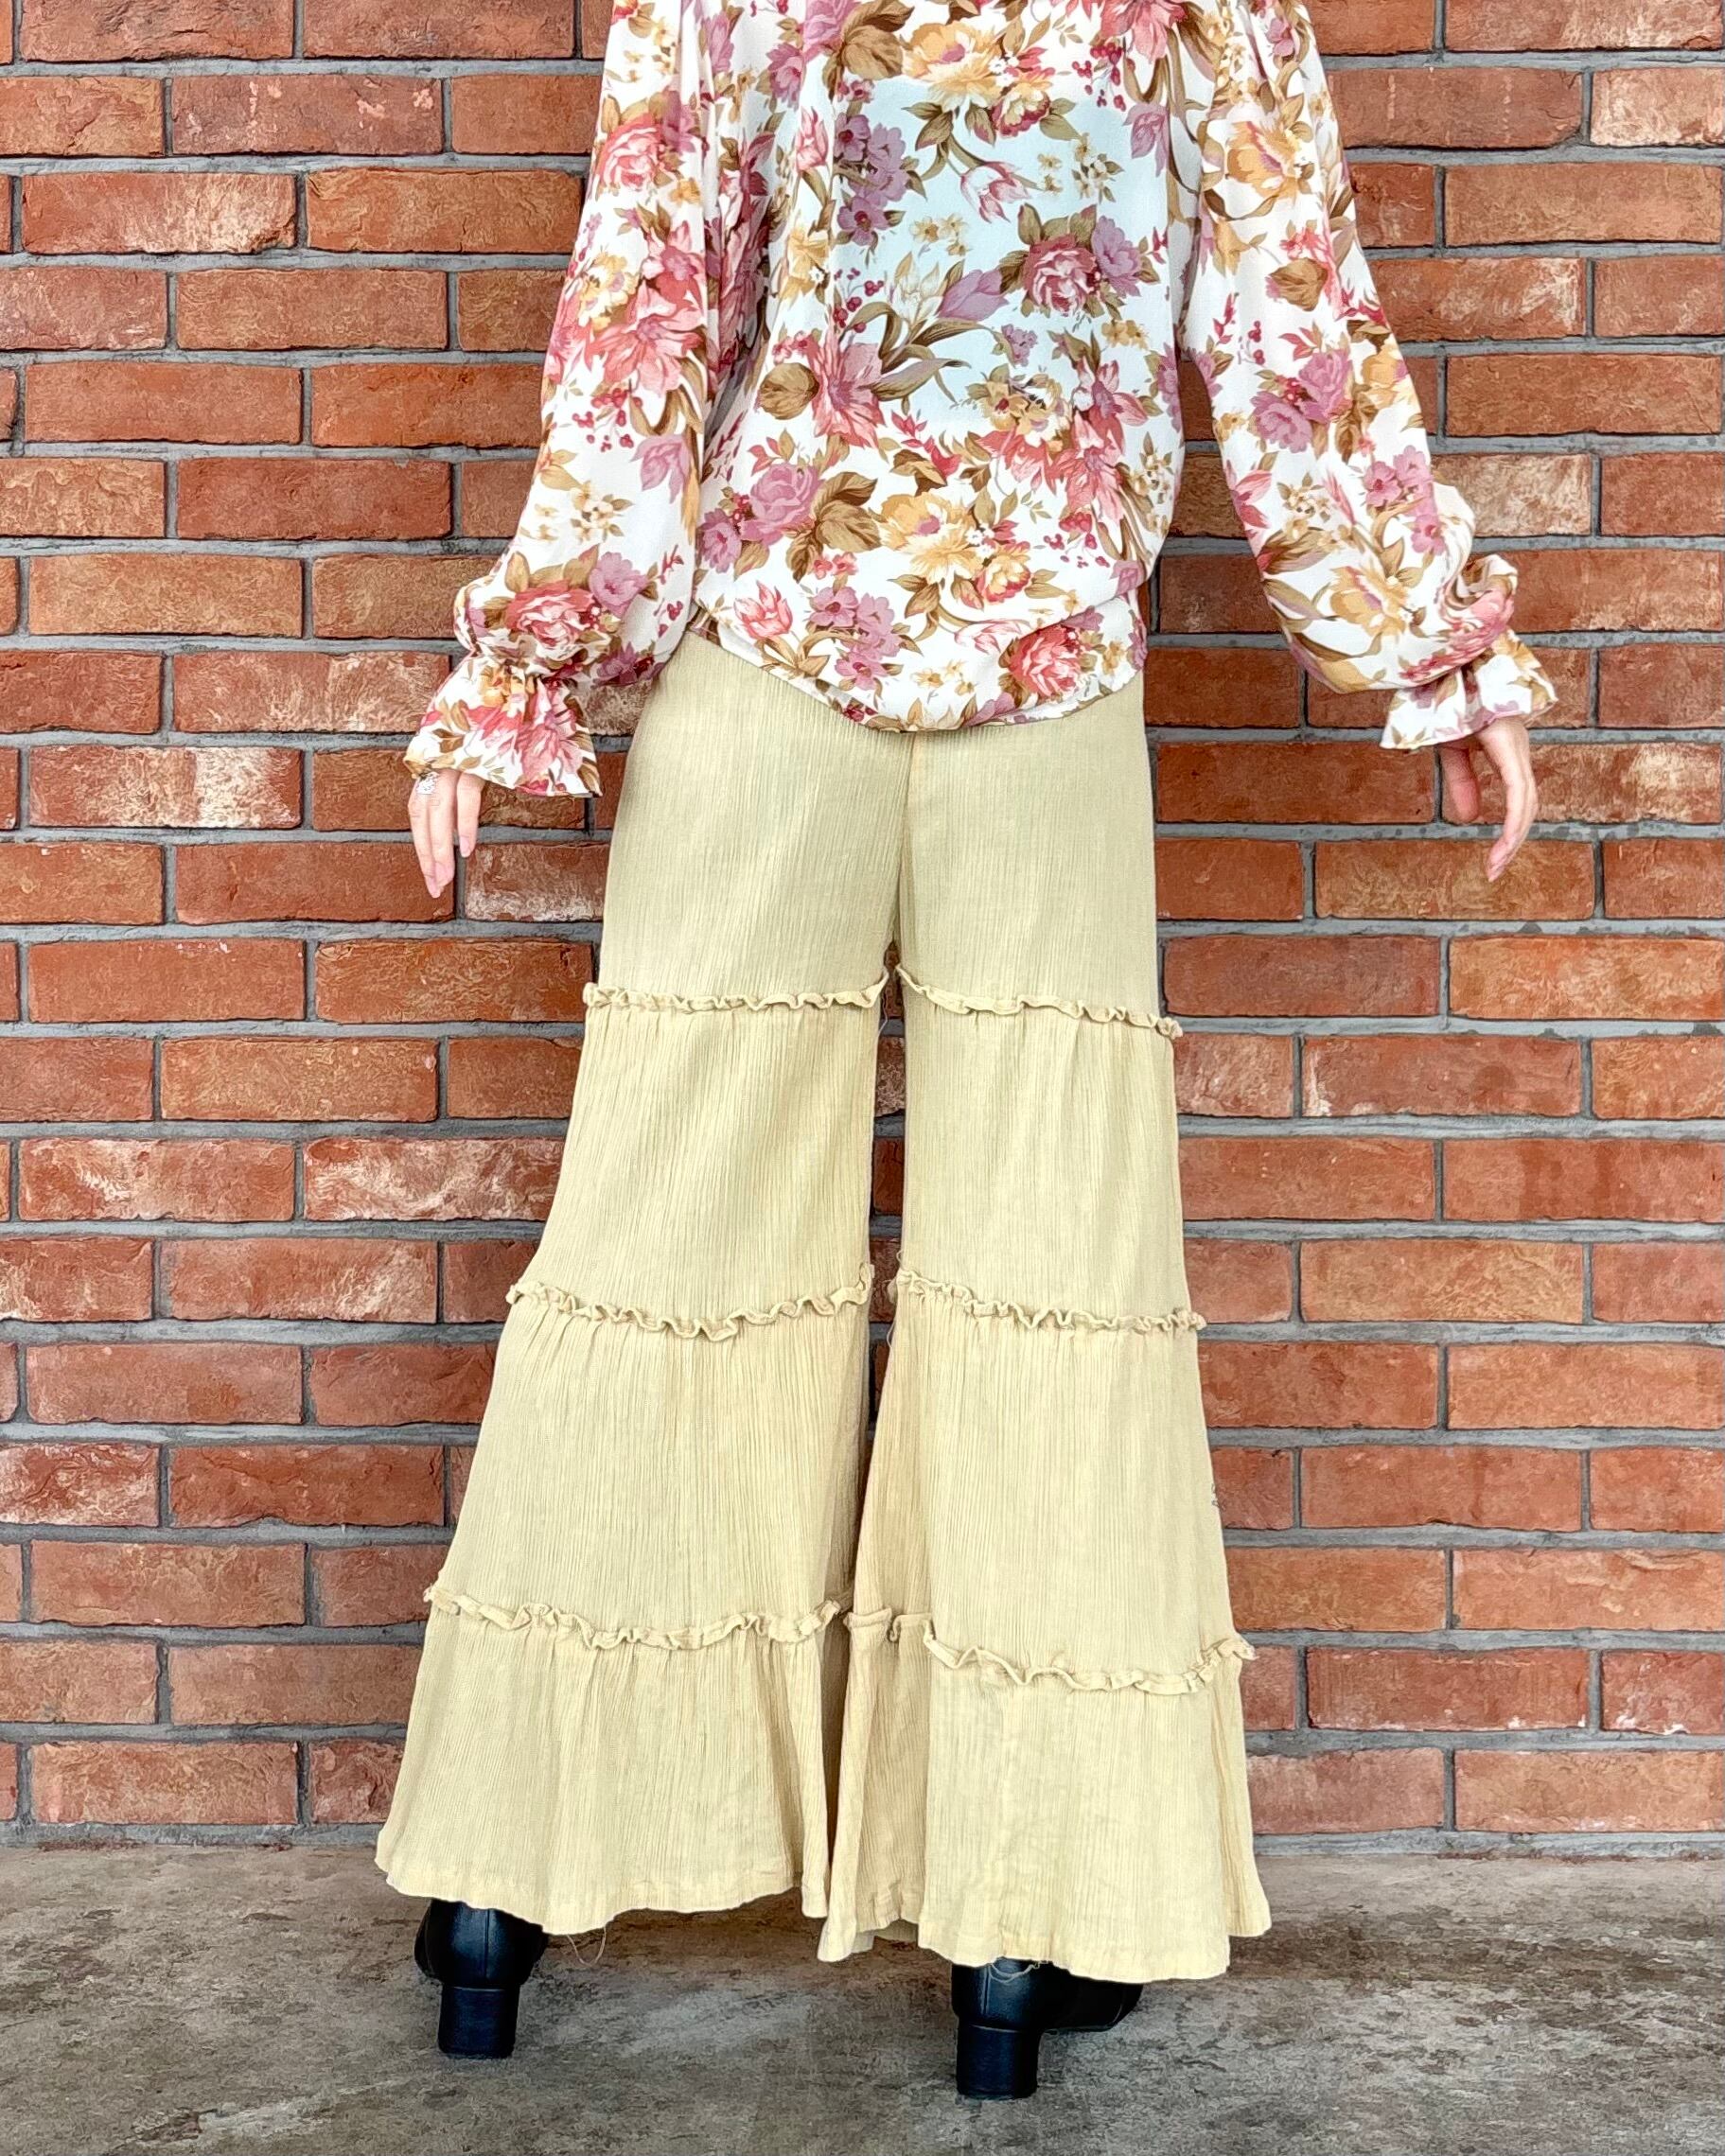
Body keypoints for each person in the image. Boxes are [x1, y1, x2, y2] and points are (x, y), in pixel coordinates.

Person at [377, 0, 1552, 2098]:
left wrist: (523, 680)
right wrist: (1435, 654)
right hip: (1046, 695)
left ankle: (505, 1884)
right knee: (1046, 1292)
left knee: (661, 1254)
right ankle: (1024, 1917)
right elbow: (1295, 330)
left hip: (766, 670)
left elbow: (645, 324)